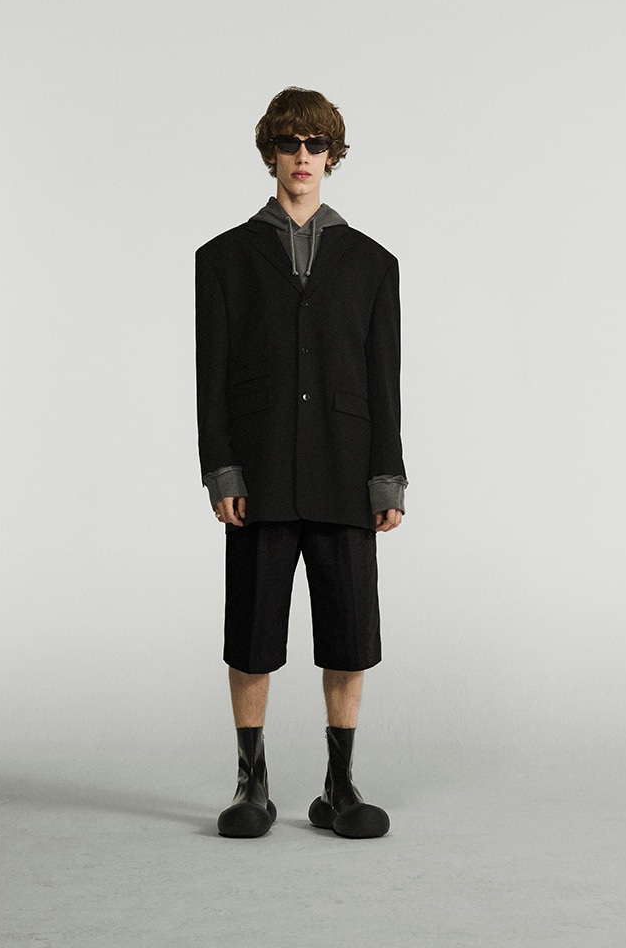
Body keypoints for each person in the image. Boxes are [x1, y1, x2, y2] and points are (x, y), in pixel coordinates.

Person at [195, 86, 407, 839]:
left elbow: (384, 379)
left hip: (346, 472)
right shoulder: (223, 259)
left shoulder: (373, 264)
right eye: (290, 144)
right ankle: (251, 785)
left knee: (348, 634)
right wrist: (222, 469)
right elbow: (212, 375)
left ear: (332, 155)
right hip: (259, 475)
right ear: (272, 154)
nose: (303, 157)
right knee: (252, 633)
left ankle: (339, 787)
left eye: (317, 145)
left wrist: (387, 476)